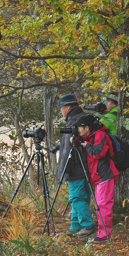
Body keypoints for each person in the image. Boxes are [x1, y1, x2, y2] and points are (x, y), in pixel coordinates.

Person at [74, 113, 120, 244]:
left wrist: (86, 145)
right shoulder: (91, 136)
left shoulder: (100, 135)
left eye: (79, 128)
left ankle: (105, 234)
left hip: (105, 174)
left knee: (103, 204)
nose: (78, 130)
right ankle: (102, 232)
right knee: (99, 204)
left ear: (87, 127)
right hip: (99, 176)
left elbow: (99, 152)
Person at [55, 94, 96, 238]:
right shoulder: (83, 119)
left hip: (76, 167)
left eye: (62, 108)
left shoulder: (75, 122)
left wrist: (64, 170)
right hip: (87, 166)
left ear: (68, 107)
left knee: (76, 197)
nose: (61, 111)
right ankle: (75, 226)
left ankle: (87, 225)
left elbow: (70, 149)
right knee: (81, 197)